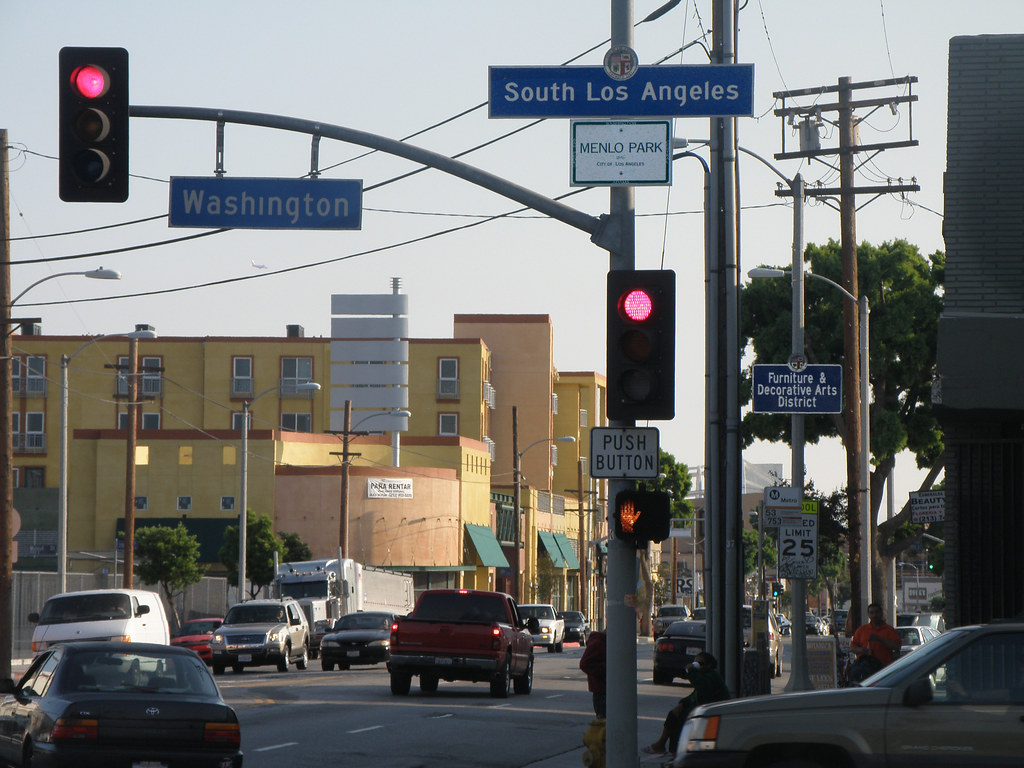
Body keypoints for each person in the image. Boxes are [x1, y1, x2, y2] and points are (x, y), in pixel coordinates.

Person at [642, 651, 730, 755]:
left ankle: (671, 748)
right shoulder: (705, 676)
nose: (697, 666)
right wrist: (683, 703)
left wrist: (692, 671)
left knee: (681, 718)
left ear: (708, 665)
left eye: (700, 664)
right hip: (705, 709)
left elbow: (702, 688)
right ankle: (665, 746)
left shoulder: (712, 676)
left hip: (713, 711)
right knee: (675, 714)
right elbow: (695, 695)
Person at [848, 603, 901, 681]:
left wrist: (880, 639)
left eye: (876, 612)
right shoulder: (862, 630)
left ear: (881, 613)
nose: (874, 615)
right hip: (865, 672)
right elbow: (852, 648)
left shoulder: (889, 630)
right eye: (871, 613)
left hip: (884, 670)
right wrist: (862, 650)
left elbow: (897, 647)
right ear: (868, 615)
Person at [578, 629, 606, 718]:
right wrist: (607, 671)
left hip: (608, 692)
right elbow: (585, 663)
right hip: (602, 693)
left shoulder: (605, 642)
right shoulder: (599, 642)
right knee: (604, 725)